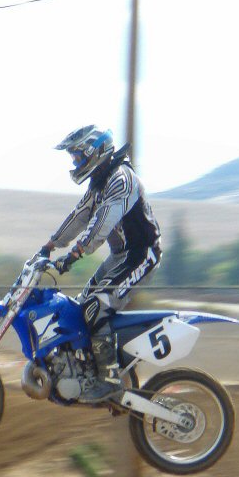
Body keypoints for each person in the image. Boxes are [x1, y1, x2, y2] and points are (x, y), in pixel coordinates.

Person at [40, 125, 162, 402]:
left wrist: (75, 254)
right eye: (73, 158)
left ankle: (109, 380)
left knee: (96, 308)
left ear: (95, 152)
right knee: (80, 306)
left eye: (78, 156)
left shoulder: (121, 179)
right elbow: (79, 216)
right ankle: (87, 369)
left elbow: (101, 224)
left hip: (142, 254)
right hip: (121, 255)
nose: (75, 162)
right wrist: (49, 246)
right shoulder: (99, 183)